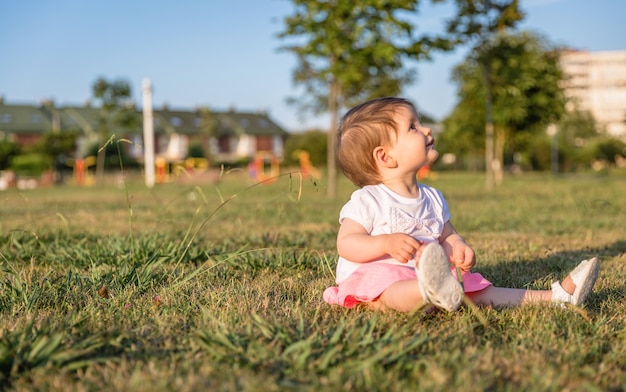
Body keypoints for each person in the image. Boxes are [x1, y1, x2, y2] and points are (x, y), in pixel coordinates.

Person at [323, 97, 600, 313]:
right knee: (390, 291)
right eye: (413, 126)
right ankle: (428, 292)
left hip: (427, 275)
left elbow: (447, 235)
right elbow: (346, 243)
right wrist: (384, 244)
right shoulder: (369, 199)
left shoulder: (432, 197)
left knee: (477, 289)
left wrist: (457, 248)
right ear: (386, 157)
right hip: (375, 280)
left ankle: (557, 296)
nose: (426, 129)